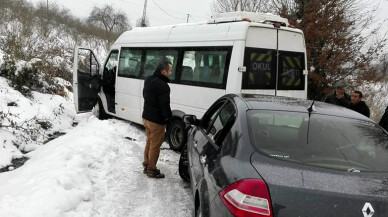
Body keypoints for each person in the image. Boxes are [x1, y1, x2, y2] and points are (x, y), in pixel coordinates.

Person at [142, 59, 173, 179]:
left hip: (146, 117)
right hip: (156, 121)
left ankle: (146, 165)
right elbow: (165, 106)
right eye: (170, 70)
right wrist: (168, 119)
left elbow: (145, 96)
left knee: (149, 142)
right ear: (164, 71)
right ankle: (152, 170)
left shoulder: (148, 79)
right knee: (155, 145)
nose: (171, 73)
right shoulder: (164, 86)